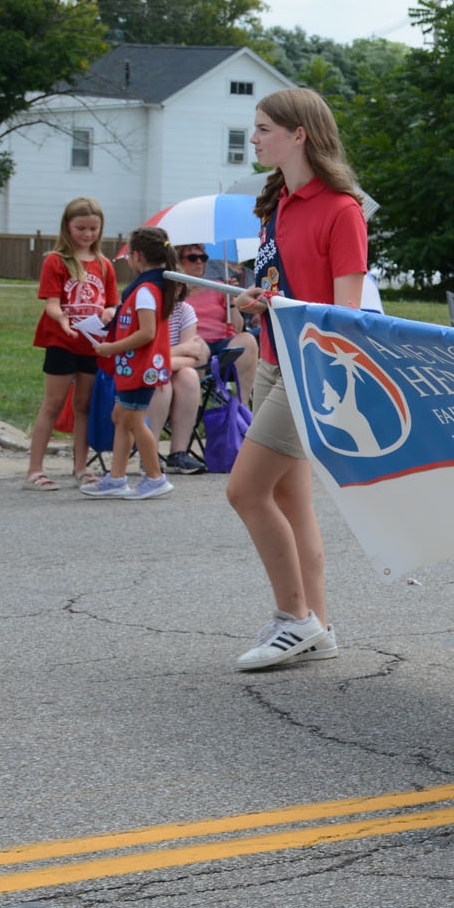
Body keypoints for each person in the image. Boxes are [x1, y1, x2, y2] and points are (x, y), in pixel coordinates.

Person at [226, 88, 368, 672]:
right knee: (291, 501)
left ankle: (295, 619)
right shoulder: (276, 204)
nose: (254, 138)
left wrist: (287, 309)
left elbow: (346, 316)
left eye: (264, 128)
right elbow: (282, 285)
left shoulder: (342, 209)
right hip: (271, 359)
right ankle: (320, 627)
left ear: (298, 134)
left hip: (312, 369)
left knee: (244, 491)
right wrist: (257, 299)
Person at [24, 198, 119, 490]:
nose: (87, 234)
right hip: (62, 342)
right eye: (81, 228)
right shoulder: (56, 261)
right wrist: (62, 319)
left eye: (93, 228)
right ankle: (34, 471)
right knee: (53, 404)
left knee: (84, 405)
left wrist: (109, 313)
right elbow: (52, 304)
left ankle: (81, 467)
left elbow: (111, 303)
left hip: (92, 344)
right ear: (67, 226)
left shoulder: (104, 265)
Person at [80, 226, 179, 501]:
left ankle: (156, 478)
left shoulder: (146, 290)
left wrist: (110, 348)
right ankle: (116, 478)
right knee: (120, 416)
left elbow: (147, 333)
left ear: (137, 256)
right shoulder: (150, 287)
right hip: (135, 367)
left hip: (141, 368)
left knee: (134, 420)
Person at [150, 256, 212, 475]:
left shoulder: (184, 311)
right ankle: (149, 453)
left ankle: (178, 452)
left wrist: (163, 359)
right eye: (170, 284)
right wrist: (177, 352)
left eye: (179, 285)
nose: (175, 289)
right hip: (145, 372)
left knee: (189, 376)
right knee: (161, 380)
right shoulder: (149, 309)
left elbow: (192, 357)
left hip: (169, 368)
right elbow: (144, 357)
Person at [180, 246, 259, 404]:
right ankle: (195, 406)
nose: (199, 262)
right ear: (179, 262)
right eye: (192, 258)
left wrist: (231, 302)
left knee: (248, 340)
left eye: (203, 258)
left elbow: (237, 328)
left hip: (222, 345)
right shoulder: (176, 292)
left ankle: (241, 407)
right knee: (197, 346)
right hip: (194, 343)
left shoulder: (217, 286)